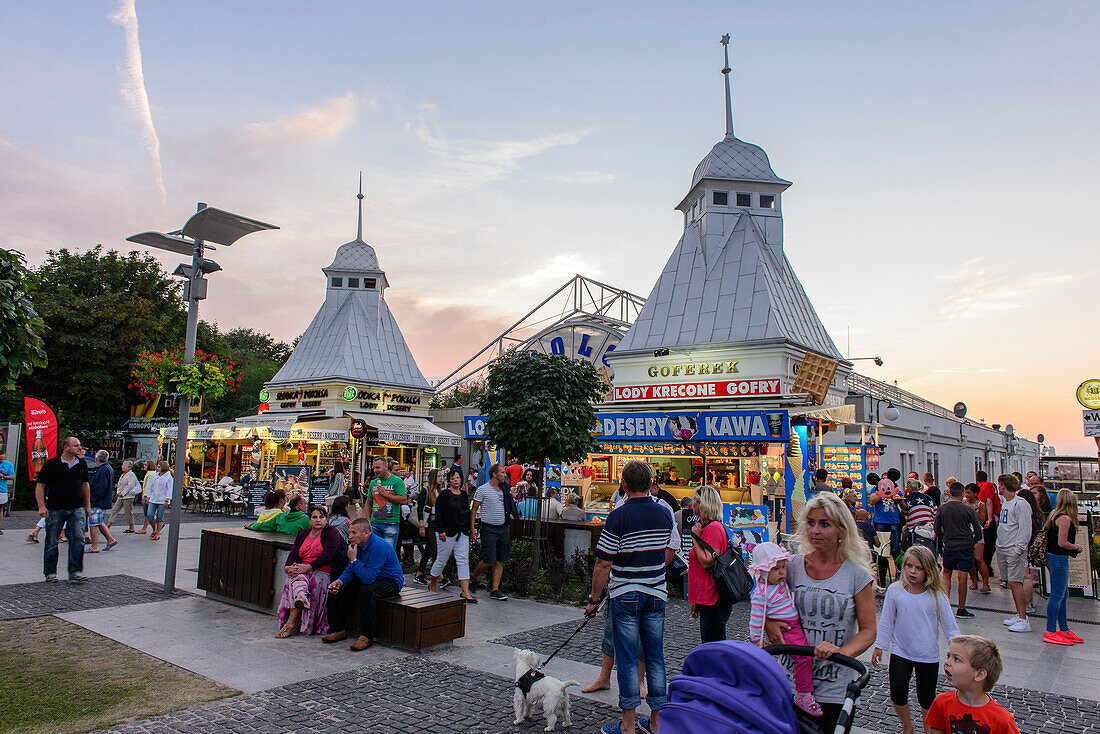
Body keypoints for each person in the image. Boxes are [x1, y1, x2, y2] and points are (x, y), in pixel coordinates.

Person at [764, 492, 876, 732]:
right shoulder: (792, 566)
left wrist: (842, 652)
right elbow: (764, 596)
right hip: (789, 680)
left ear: (841, 530)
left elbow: (868, 631)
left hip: (834, 687)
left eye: (824, 524)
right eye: (811, 523)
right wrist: (767, 622)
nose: (815, 530)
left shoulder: (856, 575)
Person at [585, 460, 675, 734]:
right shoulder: (664, 513)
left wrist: (593, 598)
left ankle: (627, 724)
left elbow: (603, 563)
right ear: (650, 484)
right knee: (655, 658)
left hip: (625, 593)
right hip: (656, 593)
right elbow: (670, 549)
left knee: (626, 659)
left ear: (623, 485)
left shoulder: (618, 516)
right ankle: (656, 722)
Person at [872, 546, 960, 734]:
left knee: (926, 698)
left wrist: (958, 652)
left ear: (928, 570)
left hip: (927, 655)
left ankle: (927, 730)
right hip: (900, 651)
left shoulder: (936, 595)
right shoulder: (894, 591)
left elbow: (950, 627)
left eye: (918, 568)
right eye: (909, 566)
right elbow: (887, 620)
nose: (913, 571)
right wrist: (879, 645)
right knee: (897, 692)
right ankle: (907, 726)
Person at [748, 542, 821, 716]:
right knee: (803, 657)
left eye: (783, 567)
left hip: (794, 625)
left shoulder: (779, 584)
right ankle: (804, 694)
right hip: (788, 629)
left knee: (804, 656)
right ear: (763, 571)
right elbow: (757, 618)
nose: (781, 572)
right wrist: (757, 639)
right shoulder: (761, 593)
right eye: (775, 569)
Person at [323, 518, 404, 651]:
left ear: (366, 533)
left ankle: (367, 635)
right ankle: (339, 629)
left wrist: (354, 559)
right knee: (339, 589)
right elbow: (351, 570)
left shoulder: (378, 546)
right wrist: (339, 581)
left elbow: (368, 578)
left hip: (391, 581)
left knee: (367, 592)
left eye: (354, 533)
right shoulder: (357, 545)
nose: (350, 536)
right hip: (370, 576)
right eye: (350, 533)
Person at [926, 635, 1020, 734]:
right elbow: (936, 728)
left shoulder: (1002, 720)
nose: (947, 662)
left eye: (957, 659)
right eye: (948, 656)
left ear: (979, 675)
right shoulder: (941, 702)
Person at [275, 506, 345, 638]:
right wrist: (288, 567)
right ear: (309, 520)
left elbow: (327, 555)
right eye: (314, 517)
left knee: (302, 578)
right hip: (303, 570)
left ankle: (291, 622)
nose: (318, 520)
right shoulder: (303, 534)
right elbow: (294, 553)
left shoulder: (331, 532)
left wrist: (308, 567)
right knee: (294, 576)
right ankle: (300, 598)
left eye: (321, 517)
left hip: (322, 571)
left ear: (326, 519)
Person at [36, 436, 91, 583]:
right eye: (76, 446)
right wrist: (41, 506)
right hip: (56, 508)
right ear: (66, 447)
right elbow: (40, 485)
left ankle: (76, 571)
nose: (79, 448)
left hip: (77, 507)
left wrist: (87, 505)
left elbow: (85, 485)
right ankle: (50, 572)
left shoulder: (81, 464)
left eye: (79, 445)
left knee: (78, 539)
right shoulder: (52, 464)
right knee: (52, 541)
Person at [688, 485, 733, 644]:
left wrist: (695, 539)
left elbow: (707, 561)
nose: (692, 504)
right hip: (706, 597)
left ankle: (718, 670)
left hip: (713, 597)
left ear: (704, 504)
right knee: (710, 641)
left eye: (696, 500)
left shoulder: (713, 528)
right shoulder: (706, 527)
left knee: (713, 643)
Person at [470, 463, 519, 600]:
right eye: (502, 472)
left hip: (502, 527)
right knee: (489, 559)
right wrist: (472, 528)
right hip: (489, 528)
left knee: (500, 559)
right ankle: (473, 577)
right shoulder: (483, 490)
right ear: (494, 474)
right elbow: (474, 509)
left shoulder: (504, 489)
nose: (505, 474)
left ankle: (495, 589)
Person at [935, 481, 983, 618]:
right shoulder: (968, 509)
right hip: (965, 545)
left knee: (946, 574)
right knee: (963, 576)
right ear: (962, 494)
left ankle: (945, 605)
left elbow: (936, 527)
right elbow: (977, 529)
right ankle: (961, 608)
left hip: (949, 544)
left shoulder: (943, 509)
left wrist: (943, 537)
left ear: (950, 493)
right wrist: (972, 540)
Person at [1043, 489, 1085, 645]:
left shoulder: (1054, 515)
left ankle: (1064, 629)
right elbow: (1062, 543)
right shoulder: (1065, 519)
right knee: (1057, 596)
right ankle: (1050, 631)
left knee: (1062, 594)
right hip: (1059, 558)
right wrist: (1076, 547)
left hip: (1051, 557)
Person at [429, 469, 476, 603]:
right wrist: (441, 530)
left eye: (458, 478)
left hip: (462, 532)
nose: (456, 480)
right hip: (447, 532)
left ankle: (465, 591)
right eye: (453, 478)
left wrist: (470, 530)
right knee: (442, 560)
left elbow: (466, 512)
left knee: (463, 560)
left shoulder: (463, 495)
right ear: (449, 480)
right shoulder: (444, 495)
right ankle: (432, 582)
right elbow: (438, 514)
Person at [994, 474, 1032, 632]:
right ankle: (1019, 614)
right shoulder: (1006, 503)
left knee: (1016, 583)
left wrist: (1019, 548)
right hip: (1003, 546)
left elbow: (1025, 528)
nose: (998, 487)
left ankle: (1023, 619)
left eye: (999, 484)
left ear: (1004, 486)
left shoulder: (1020, 504)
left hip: (1013, 549)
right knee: (1010, 582)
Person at [367, 456, 408, 550]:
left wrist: (385, 494)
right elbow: (368, 502)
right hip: (375, 523)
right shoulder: (373, 483)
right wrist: (369, 520)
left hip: (391, 523)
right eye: (374, 468)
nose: (375, 470)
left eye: (378, 467)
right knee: (375, 551)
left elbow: (403, 500)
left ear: (385, 466)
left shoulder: (397, 481)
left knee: (388, 552)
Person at [1014, 484, 1044, 614]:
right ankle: (1029, 602)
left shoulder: (1023, 511)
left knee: (1026, 578)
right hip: (1034, 547)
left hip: (1025, 547)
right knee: (1029, 577)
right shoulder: (1038, 513)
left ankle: (1025, 605)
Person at [412, 468, 441, 586]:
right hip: (428, 524)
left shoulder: (439, 491)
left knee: (428, 550)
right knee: (435, 550)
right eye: (438, 476)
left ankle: (419, 573)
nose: (441, 478)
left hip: (436, 524)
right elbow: (420, 508)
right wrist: (421, 525)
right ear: (434, 478)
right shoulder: (426, 491)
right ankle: (440, 576)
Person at [87, 450, 118, 553]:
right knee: (98, 522)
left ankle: (94, 546)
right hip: (103, 500)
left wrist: (93, 498)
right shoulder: (107, 468)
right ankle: (110, 539)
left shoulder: (102, 470)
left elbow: (100, 486)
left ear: (96, 459)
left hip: (98, 501)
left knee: (93, 523)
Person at [869, 469, 903, 559]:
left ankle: (897, 567)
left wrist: (899, 499)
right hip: (880, 521)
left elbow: (903, 505)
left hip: (894, 521)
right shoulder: (876, 489)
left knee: (895, 547)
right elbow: (872, 501)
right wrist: (881, 492)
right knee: (882, 548)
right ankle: (882, 567)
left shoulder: (895, 489)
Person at [963, 483, 991, 593]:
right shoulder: (963, 502)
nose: (967, 495)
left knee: (979, 558)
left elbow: (982, 520)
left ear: (975, 493)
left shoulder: (981, 504)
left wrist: (975, 511)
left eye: (969, 493)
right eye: (966, 492)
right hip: (966, 532)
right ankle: (974, 581)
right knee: (970, 559)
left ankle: (985, 583)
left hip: (977, 532)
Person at [975, 470, 1000, 586]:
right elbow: (989, 502)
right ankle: (986, 568)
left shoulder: (976, 488)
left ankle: (976, 571)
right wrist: (990, 519)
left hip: (978, 518)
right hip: (987, 518)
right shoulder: (990, 486)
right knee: (990, 545)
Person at [899, 478, 936, 552]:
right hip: (929, 526)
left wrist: (903, 497)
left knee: (904, 536)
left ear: (911, 488)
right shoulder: (928, 498)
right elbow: (935, 512)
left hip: (914, 527)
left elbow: (904, 513)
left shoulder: (907, 499)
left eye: (907, 487)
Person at [108, 460, 142, 533]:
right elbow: (119, 485)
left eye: (125, 466)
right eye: (123, 465)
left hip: (128, 496)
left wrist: (123, 493)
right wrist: (118, 492)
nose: (122, 467)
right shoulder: (123, 475)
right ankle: (108, 525)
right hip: (121, 496)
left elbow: (130, 485)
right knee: (114, 510)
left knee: (128, 512)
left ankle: (131, 526)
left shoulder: (131, 475)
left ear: (129, 467)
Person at [145, 461, 174, 540]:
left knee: (159, 517)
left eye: (159, 467)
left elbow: (169, 489)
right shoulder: (156, 475)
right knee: (150, 515)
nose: (157, 468)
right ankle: (154, 529)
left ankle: (157, 533)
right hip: (153, 498)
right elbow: (151, 486)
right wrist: (149, 496)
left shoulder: (168, 477)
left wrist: (167, 499)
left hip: (162, 499)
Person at [136, 460, 157, 534]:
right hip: (148, 495)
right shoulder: (150, 473)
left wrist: (145, 496)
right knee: (149, 513)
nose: (144, 466)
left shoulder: (150, 474)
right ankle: (156, 525)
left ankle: (145, 528)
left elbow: (148, 486)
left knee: (147, 513)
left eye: (145, 464)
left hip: (147, 496)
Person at [0, 450, 14, 534]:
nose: (1, 460)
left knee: (0, 509)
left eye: (2, 459)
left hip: (2, 490)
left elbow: (12, 477)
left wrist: (3, 476)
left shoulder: (8, 465)